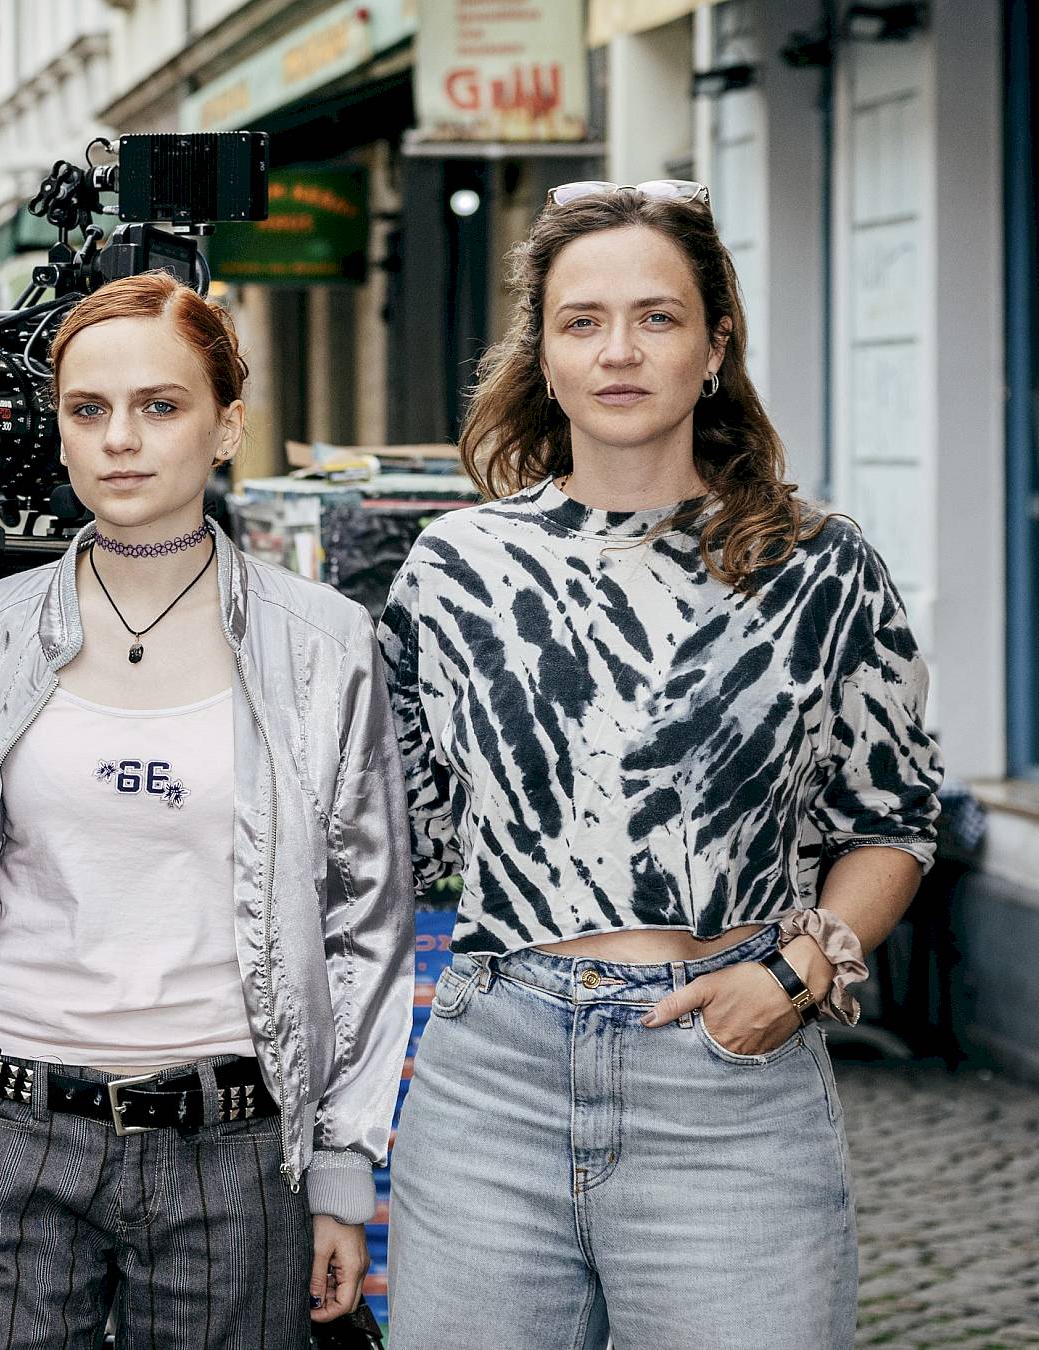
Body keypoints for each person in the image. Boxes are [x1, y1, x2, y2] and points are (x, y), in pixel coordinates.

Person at [380, 180, 943, 1349]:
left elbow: (892, 823)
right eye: (582, 322)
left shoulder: (821, 568)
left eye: (658, 317)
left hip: (730, 1074)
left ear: (715, 345)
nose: (619, 351)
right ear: (543, 354)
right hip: (494, 1079)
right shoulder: (454, 569)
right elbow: (403, 836)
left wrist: (790, 980)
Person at [0, 271, 415, 1349]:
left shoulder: (325, 644)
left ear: (228, 424)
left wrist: (341, 1162)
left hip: (234, 1149)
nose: (120, 441)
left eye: (161, 405)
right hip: (9, 1128)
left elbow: (366, 922)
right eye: (87, 410)